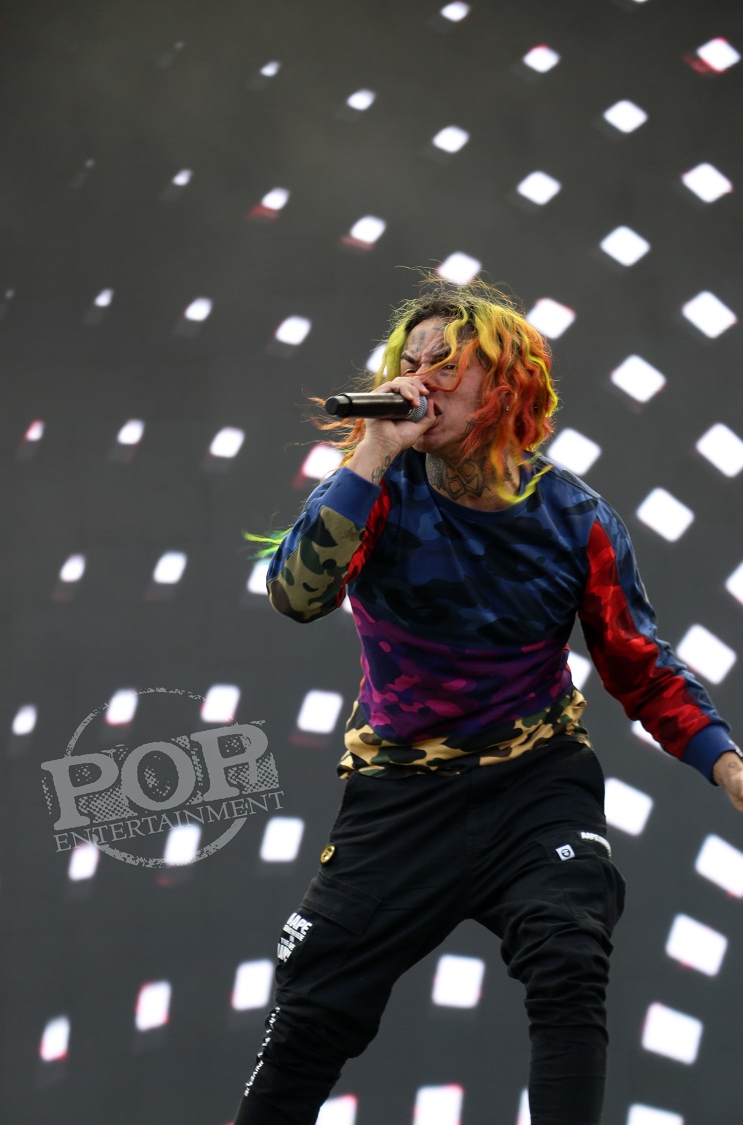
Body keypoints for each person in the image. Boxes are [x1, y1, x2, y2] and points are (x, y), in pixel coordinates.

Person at [234, 279, 743, 1125]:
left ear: (504, 387)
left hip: (533, 783)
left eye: (446, 363)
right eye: (409, 362)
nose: (419, 379)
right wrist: (370, 452)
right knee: (311, 1015)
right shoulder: (377, 490)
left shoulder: (576, 520)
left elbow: (641, 668)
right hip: (400, 794)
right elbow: (295, 594)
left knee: (569, 953)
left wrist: (726, 764)